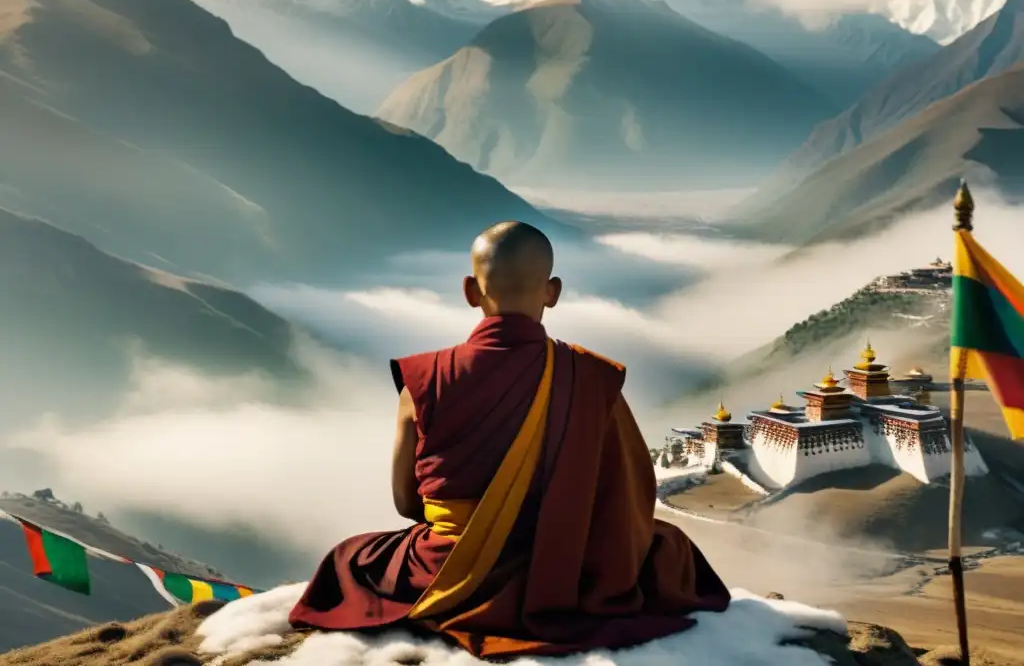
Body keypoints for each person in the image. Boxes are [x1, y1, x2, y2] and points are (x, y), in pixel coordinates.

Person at [289, 221, 730, 657]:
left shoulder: (424, 380)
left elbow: (407, 504)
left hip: (445, 568)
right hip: (567, 569)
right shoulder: (591, 379)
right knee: (669, 550)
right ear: (552, 291)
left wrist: (481, 528)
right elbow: (628, 501)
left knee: (350, 559)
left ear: (469, 290)